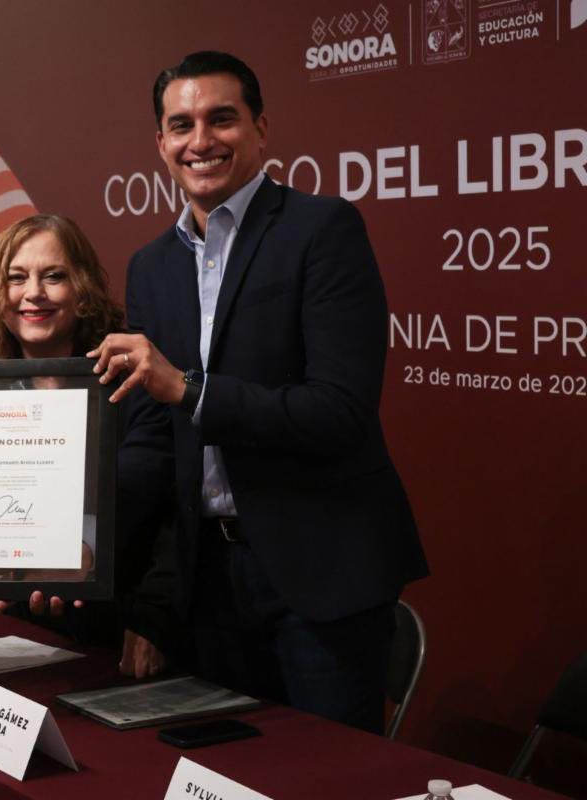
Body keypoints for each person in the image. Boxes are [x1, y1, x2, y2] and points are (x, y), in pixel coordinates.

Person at [89, 51, 428, 732]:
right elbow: (153, 442)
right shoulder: (151, 267)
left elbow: (339, 411)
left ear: (261, 128)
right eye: (181, 125)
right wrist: (69, 523)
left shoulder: (322, 230)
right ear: (160, 143)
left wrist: (190, 390)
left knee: (329, 775)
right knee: (226, 772)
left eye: (222, 119)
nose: (201, 141)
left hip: (319, 574)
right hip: (207, 581)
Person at [0, 213, 180, 679]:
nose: (33, 292)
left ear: (83, 289)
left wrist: (152, 619)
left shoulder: (132, 387)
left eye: (53, 276)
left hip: (116, 634)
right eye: (16, 278)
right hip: (8, 628)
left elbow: (173, 513)